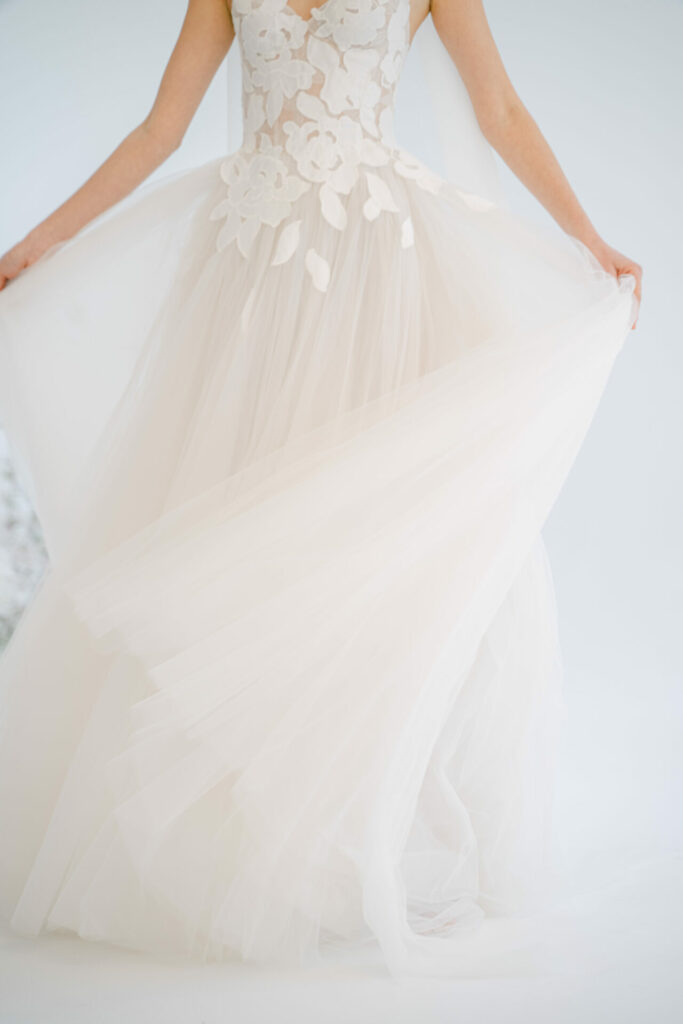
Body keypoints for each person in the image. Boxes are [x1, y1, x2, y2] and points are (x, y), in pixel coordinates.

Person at [0, 0, 642, 977]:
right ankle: (235, 849)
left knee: (366, 555)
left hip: (377, 273)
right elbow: (160, 128)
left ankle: (346, 838)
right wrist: (40, 240)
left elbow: (500, 110)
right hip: (252, 281)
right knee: (236, 546)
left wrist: (588, 239)